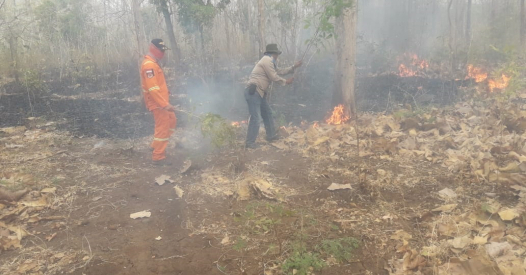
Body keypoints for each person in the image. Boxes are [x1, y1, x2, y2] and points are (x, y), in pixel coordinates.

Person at [245, 44, 302, 149]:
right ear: (273, 53)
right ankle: (249, 143)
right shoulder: (267, 60)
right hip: (254, 93)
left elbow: (278, 71)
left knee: (268, 113)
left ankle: (271, 136)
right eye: (277, 54)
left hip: (259, 93)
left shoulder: (269, 62)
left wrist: (293, 67)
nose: (277, 56)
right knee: (256, 118)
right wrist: (286, 81)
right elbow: (274, 77)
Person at [140, 39, 177, 165]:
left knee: (172, 121)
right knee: (163, 127)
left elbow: (158, 85)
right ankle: (158, 156)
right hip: (158, 104)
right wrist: (164, 104)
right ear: (154, 49)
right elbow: (152, 89)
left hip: (162, 101)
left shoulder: (154, 63)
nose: (163, 53)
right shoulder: (149, 65)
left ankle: (155, 146)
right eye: (161, 50)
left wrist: (167, 93)